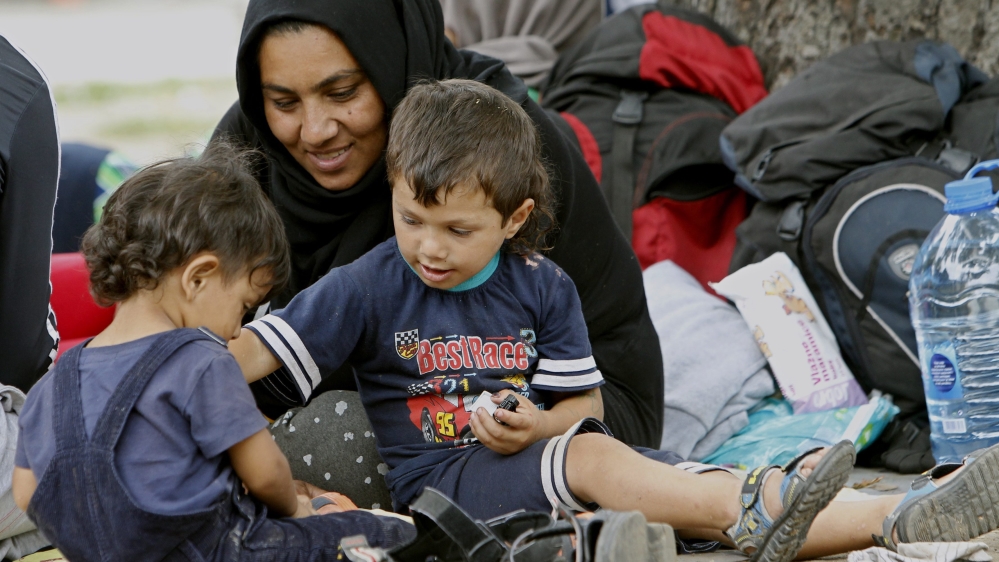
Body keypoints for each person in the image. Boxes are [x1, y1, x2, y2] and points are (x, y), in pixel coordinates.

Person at [231, 79, 999, 562]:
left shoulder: (544, 286)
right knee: (602, 465)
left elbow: (583, 412)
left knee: (687, 484)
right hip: (442, 486)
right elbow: (252, 357)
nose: (428, 248)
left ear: (514, 218)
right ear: (393, 194)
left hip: (537, 463)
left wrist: (533, 426)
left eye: (457, 231)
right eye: (410, 219)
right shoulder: (364, 284)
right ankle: (799, 506)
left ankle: (895, 517)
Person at [212, 0, 664, 499]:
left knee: (335, 440)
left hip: (551, 420)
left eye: (342, 93)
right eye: (284, 103)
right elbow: (183, 327)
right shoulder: (245, 154)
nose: (315, 130)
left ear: (393, 64)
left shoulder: (497, 146)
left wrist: (535, 425)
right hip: (386, 432)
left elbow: (596, 387)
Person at [12, 142, 414, 561]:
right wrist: (295, 510)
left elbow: (27, 491)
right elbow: (265, 473)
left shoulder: (55, 383)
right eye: (243, 305)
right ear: (199, 278)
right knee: (385, 532)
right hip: (222, 551)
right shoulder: (198, 361)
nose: (239, 328)